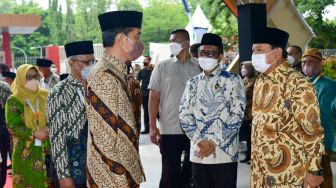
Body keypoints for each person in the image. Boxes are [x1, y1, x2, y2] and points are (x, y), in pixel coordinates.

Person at [250, 27, 325, 188]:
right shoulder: (260, 81)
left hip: (289, 175)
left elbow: (312, 131)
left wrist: (314, 170)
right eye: (253, 50)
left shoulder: (298, 83)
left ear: (277, 53)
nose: (254, 55)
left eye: (259, 50)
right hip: (260, 170)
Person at [85, 11, 145, 187]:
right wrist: (121, 180)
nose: (140, 43)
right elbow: (106, 142)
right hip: (112, 178)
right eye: (137, 36)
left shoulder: (118, 72)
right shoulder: (104, 76)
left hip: (123, 173)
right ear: (121, 39)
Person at [179, 33, 246, 188]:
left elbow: (237, 114)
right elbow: (184, 114)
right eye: (202, 53)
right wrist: (200, 141)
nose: (205, 56)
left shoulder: (233, 80)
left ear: (220, 56)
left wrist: (213, 141)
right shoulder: (192, 83)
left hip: (224, 153)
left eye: (211, 53)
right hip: (198, 152)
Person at [148, 29, 201, 188]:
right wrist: (152, 127)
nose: (171, 45)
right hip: (169, 129)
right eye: (170, 41)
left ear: (186, 43)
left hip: (195, 130)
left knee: (192, 172)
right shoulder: (162, 67)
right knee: (169, 175)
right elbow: (153, 98)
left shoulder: (199, 67)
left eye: (175, 41)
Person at [47, 41, 95, 188]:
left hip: (99, 167)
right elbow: (57, 138)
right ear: (71, 62)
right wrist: (64, 177)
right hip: (74, 169)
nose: (91, 66)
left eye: (93, 61)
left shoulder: (98, 87)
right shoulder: (59, 92)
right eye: (86, 62)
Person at [5, 64, 49, 188]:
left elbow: (55, 115)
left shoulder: (45, 95)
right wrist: (34, 133)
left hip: (47, 147)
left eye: (35, 76)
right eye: (28, 77)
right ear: (21, 78)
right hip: (25, 151)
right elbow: (13, 126)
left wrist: (48, 128)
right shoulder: (14, 100)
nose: (33, 80)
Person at [301, 48, 336, 188]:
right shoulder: (302, 83)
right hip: (302, 137)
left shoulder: (331, 85)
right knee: (305, 174)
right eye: (304, 62)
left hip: (322, 136)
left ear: (320, 64)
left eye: (311, 62)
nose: (307, 65)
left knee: (323, 173)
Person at [239, 61, 257, 163]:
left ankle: (253, 157)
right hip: (244, 113)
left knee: (252, 136)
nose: (242, 70)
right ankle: (248, 155)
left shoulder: (255, 80)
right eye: (242, 68)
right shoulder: (244, 79)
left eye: (245, 68)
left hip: (251, 113)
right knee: (247, 136)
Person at [137, 56, 152, 134]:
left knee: (158, 112)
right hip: (144, 94)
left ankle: (162, 128)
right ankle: (147, 128)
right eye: (144, 61)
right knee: (146, 111)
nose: (145, 62)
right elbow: (137, 81)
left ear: (150, 61)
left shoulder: (154, 70)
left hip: (153, 94)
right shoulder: (141, 71)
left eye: (146, 61)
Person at [0, 81, 11, 187]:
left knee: (2, 159)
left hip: (4, 130)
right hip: (6, 129)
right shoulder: (5, 86)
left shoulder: (4, 86)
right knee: (3, 160)